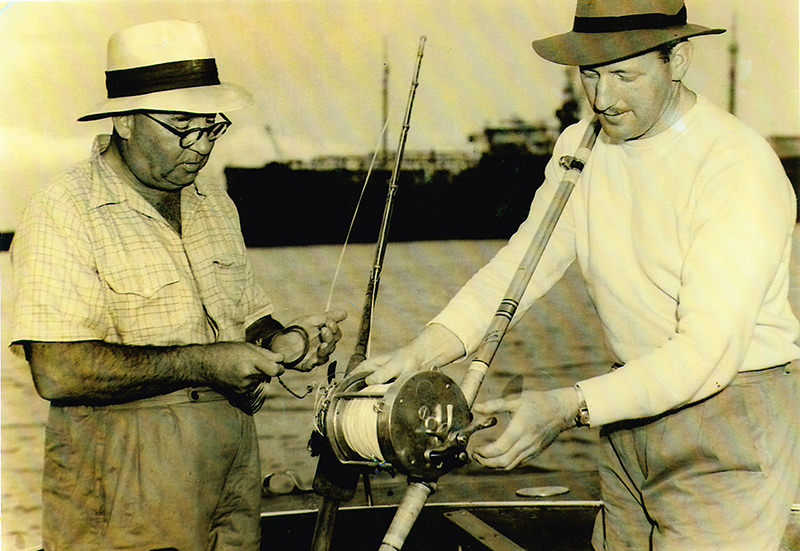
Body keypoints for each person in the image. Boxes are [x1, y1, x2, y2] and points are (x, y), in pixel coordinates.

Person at [359, 2, 800, 550]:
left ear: (679, 60)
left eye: (624, 74)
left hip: (727, 415)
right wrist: (420, 353)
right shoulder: (581, 145)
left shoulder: (737, 168)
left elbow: (706, 354)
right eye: (590, 73)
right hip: (627, 410)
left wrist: (564, 408)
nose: (603, 98)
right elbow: (522, 265)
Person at [9, 20, 346, 551]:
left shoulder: (214, 203)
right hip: (122, 475)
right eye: (182, 127)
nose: (200, 147)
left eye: (211, 128)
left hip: (232, 464)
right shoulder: (63, 210)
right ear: (123, 120)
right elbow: (56, 370)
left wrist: (281, 342)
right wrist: (204, 363)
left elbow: (247, 318)